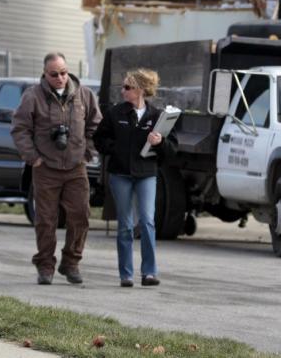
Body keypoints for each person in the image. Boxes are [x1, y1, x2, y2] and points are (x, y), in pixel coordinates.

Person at [11, 52, 101, 285]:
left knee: (80, 215)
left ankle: (71, 262)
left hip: (75, 167)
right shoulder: (32, 96)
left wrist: (87, 152)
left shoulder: (84, 95)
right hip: (46, 168)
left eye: (63, 72)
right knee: (46, 220)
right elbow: (20, 129)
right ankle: (45, 266)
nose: (60, 77)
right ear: (45, 74)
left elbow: (95, 125)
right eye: (54, 74)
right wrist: (33, 158)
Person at [94, 69, 176, 287]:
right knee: (125, 224)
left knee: (148, 221)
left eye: (127, 87)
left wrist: (160, 143)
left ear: (140, 90)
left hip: (146, 174)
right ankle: (126, 275)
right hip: (120, 174)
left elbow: (171, 150)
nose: (123, 91)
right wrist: (117, 149)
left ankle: (149, 272)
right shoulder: (115, 113)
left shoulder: (157, 116)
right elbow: (99, 139)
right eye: (123, 87)